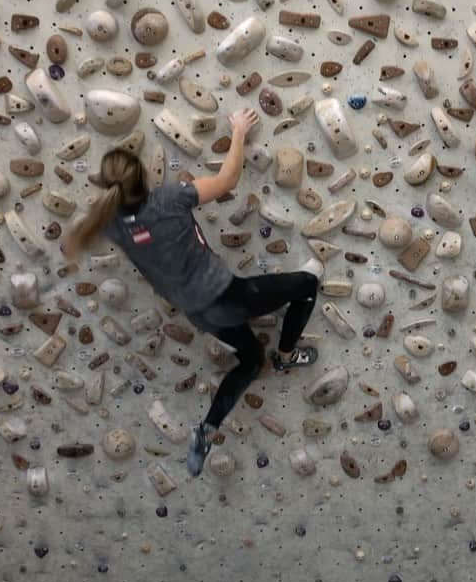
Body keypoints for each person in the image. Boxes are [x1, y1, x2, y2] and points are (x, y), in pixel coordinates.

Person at [62, 107, 320, 477]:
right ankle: (287, 353)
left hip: (198, 312)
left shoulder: (113, 225)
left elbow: (76, 239)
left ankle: (208, 427)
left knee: (250, 360)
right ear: (144, 178)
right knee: (307, 285)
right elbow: (228, 179)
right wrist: (239, 131)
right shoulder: (170, 198)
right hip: (230, 297)